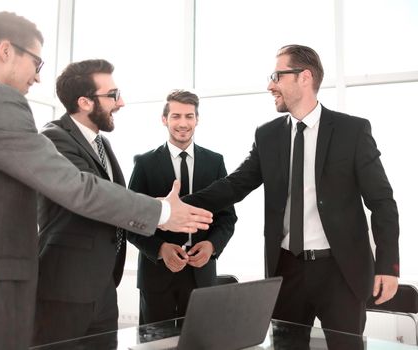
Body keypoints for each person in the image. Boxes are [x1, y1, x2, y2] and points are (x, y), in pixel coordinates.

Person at [0, 12, 212, 350]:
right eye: (36, 62)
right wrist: (162, 212)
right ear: (6, 50)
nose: (37, 78)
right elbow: (75, 186)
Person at [182, 45, 399, 346]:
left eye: (277, 76)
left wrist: (389, 266)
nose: (270, 85)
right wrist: (173, 208)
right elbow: (235, 184)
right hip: (287, 270)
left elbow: (382, 203)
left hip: (340, 272)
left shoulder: (352, 131)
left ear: (304, 77)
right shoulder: (268, 135)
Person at [32, 59, 131, 345]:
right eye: (113, 95)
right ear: (85, 102)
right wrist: (161, 211)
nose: (121, 102)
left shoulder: (102, 144)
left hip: (103, 287)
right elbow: (96, 197)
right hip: (65, 290)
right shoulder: (54, 138)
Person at [127, 90, 237, 325]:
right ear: (164, 119)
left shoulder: (215, 162)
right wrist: (160, 249)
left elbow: (227, 218)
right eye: (176, 116)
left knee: (200, 343)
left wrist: (211, 245)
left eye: (189, 116)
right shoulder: (145, 164)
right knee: (155, 344)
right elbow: (130, 220)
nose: (183, 123)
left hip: (201, 274)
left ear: (197, 119)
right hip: (156, 275)